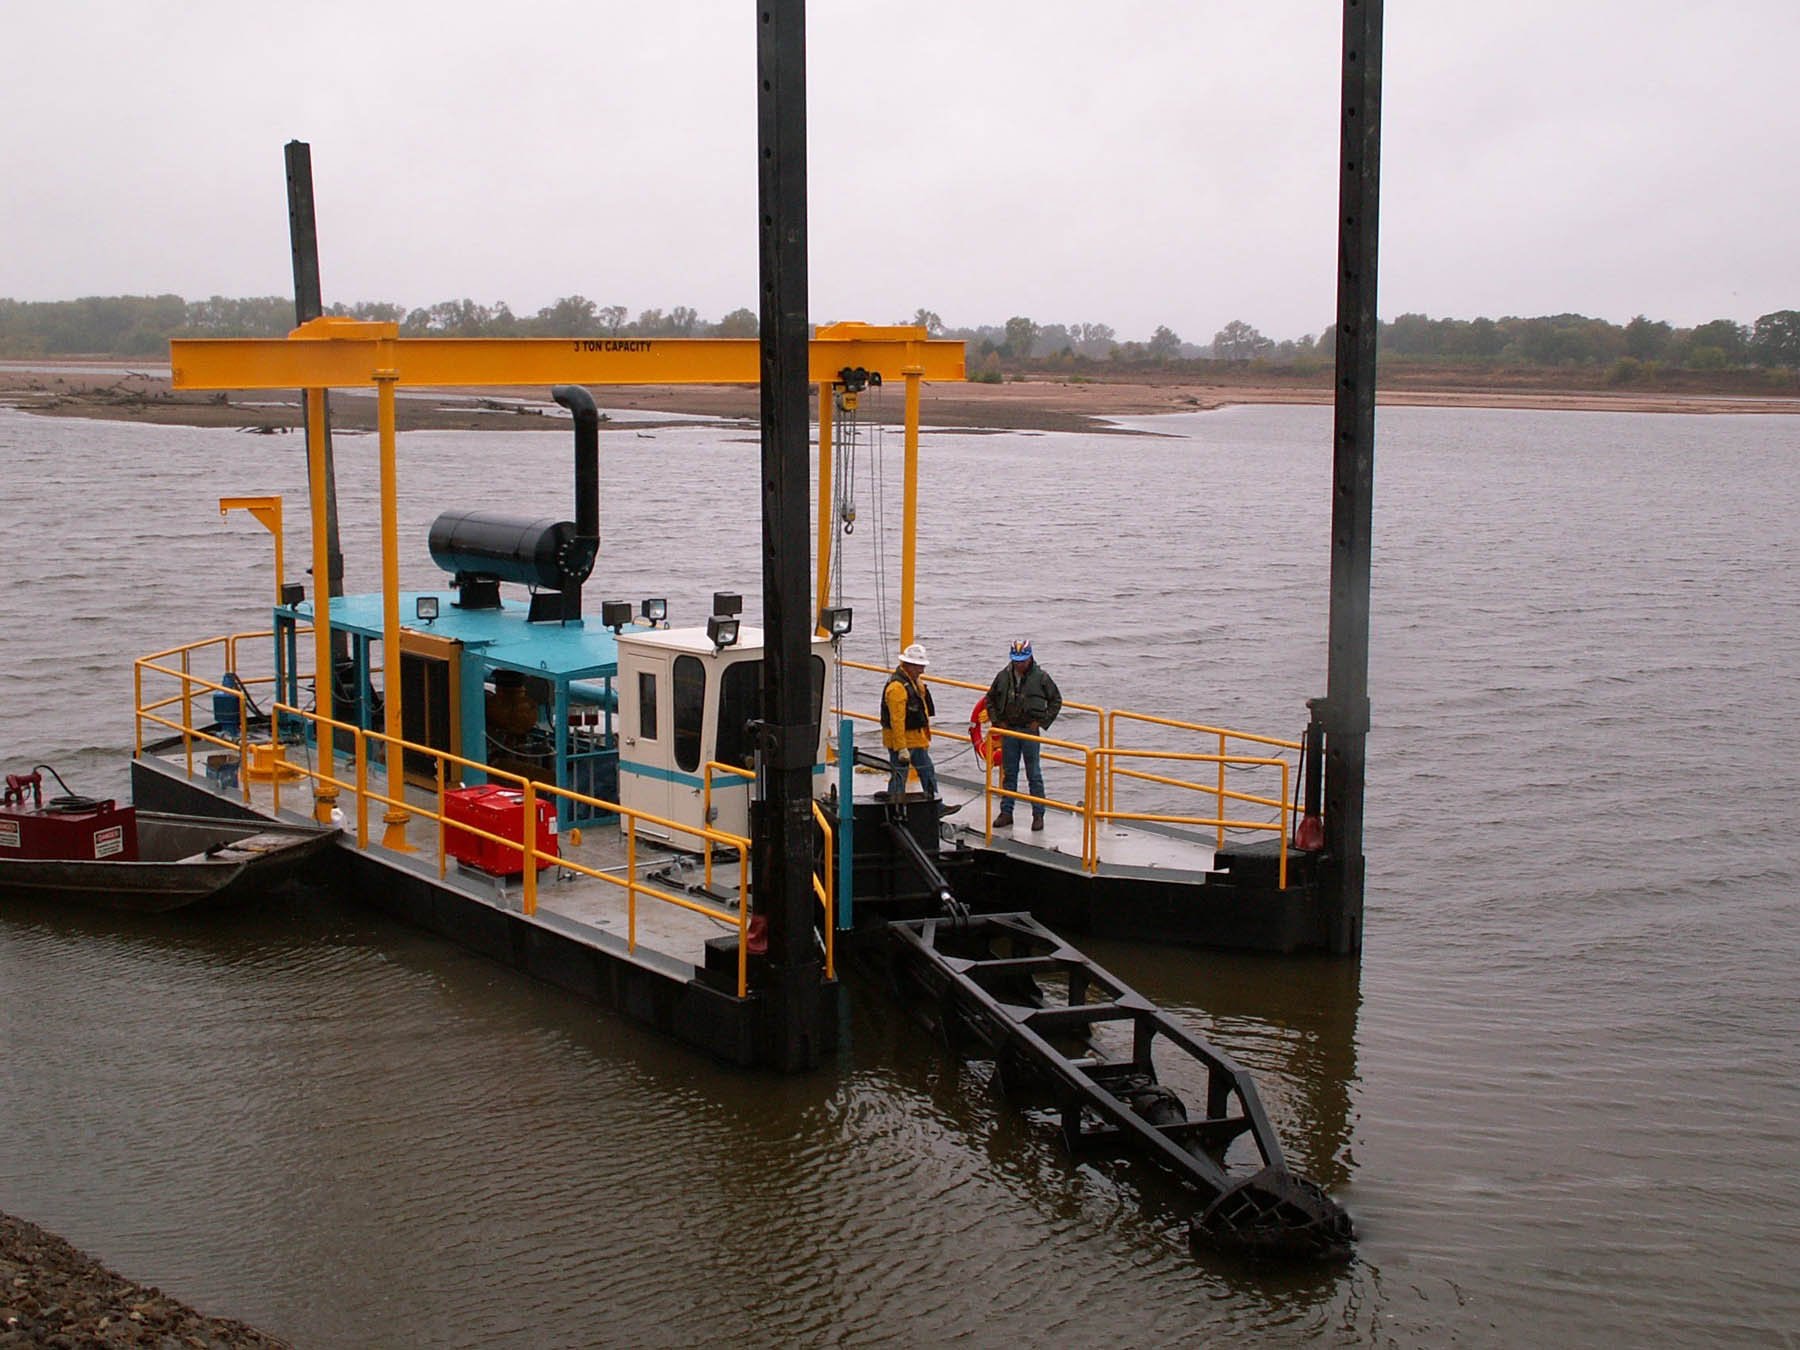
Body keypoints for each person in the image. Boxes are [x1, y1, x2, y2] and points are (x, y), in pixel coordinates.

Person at [986, 638, 1062, 830]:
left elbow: (1056, 700)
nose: (1019, 664)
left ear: (1030, 658)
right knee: (1009, 773)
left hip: (1029, 731)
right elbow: (990, 699)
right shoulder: (1003, 676)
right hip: (1009, 730)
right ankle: (1006, 812)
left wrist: (1042, 722)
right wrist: (997, 722)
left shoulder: (1042, 677)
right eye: (1016, 660)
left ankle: (1038, 815)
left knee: (1033, 774)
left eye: (1023, 660)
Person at [881, 642, 938, 800]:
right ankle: (895, 807)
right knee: (900, 777)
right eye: (919, 666)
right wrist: (901, 748)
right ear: (908, 665)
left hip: (916, 739)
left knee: (927, 772)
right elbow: (896, 721)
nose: (922, 670)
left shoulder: (915, 683)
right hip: (903, 742)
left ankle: (935, 805)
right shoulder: (897, 689)